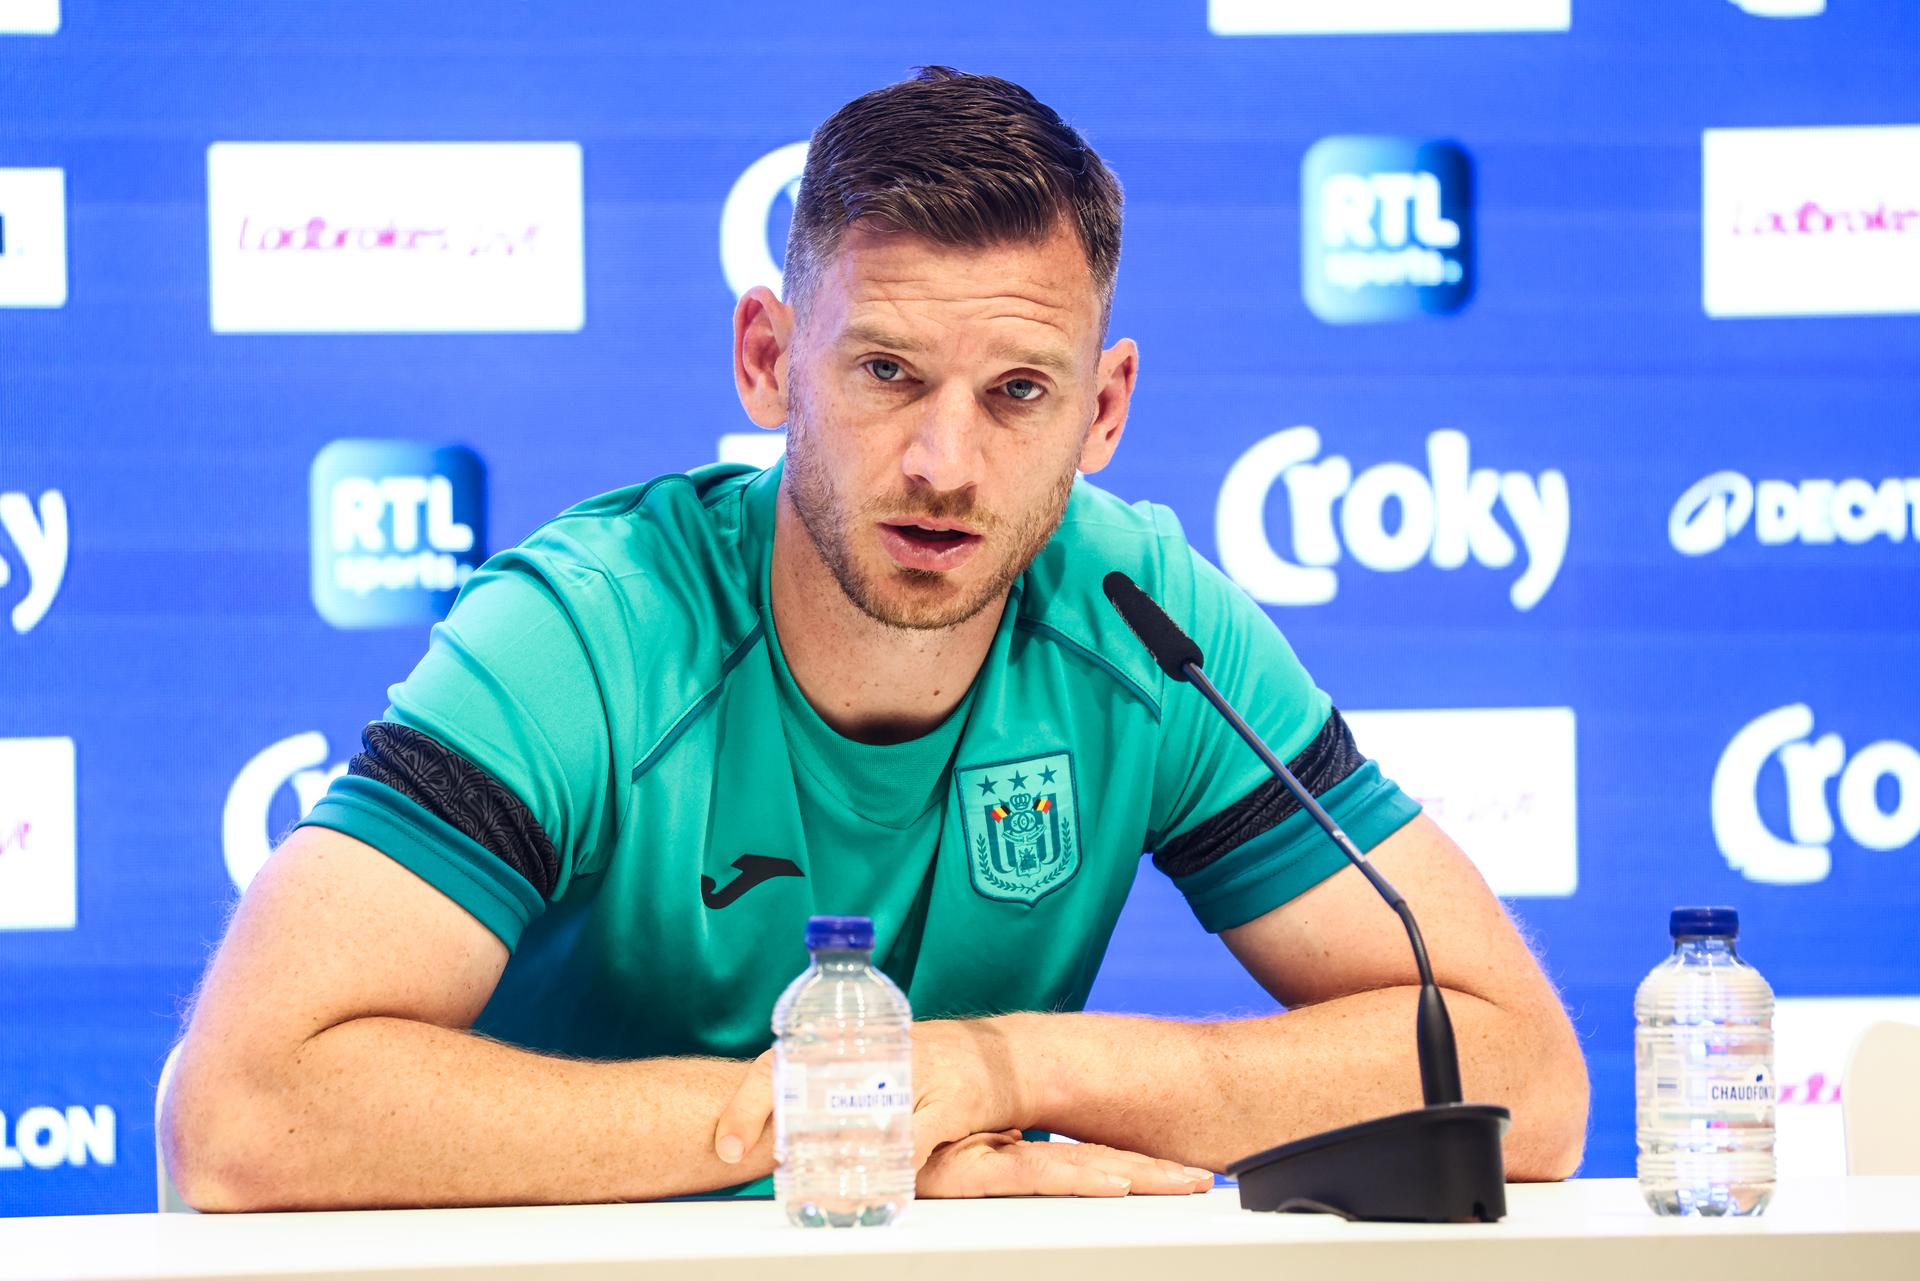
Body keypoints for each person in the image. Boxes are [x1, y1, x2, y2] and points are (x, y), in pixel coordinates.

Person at [164, 67, 1588, 1211]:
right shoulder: (587, 630)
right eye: (887, 372)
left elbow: (1524, 1071)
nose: (945, 463)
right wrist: (849, 1117)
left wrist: (996, 1063)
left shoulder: (1145, 621)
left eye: (1020, 391)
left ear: (1105, 410)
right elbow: (237, 1115)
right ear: (770, 358)